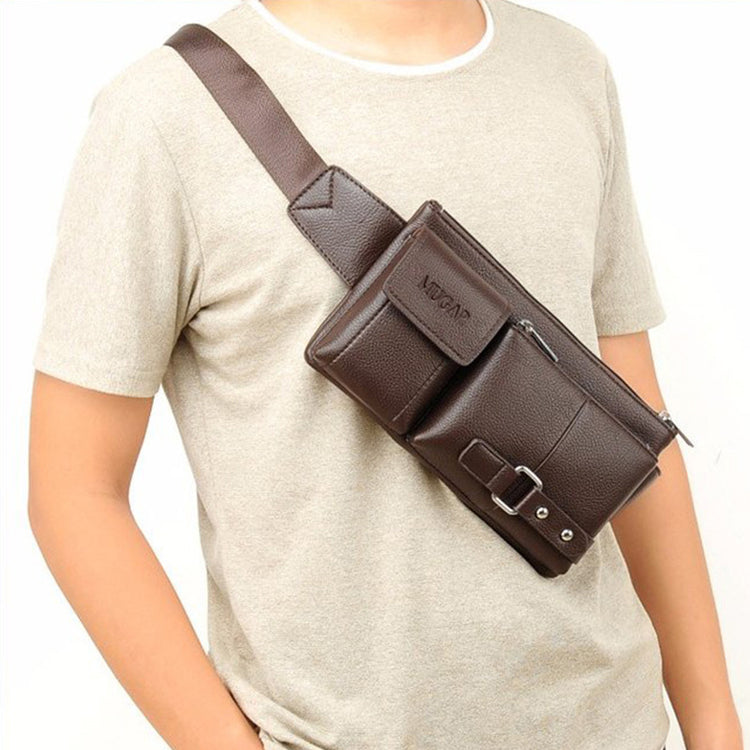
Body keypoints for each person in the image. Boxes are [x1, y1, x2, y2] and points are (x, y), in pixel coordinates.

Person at [27, 1, 742, 749]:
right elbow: (75, 490)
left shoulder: (571, 71)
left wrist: (715, 725)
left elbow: (633, 434)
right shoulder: (163, 113)